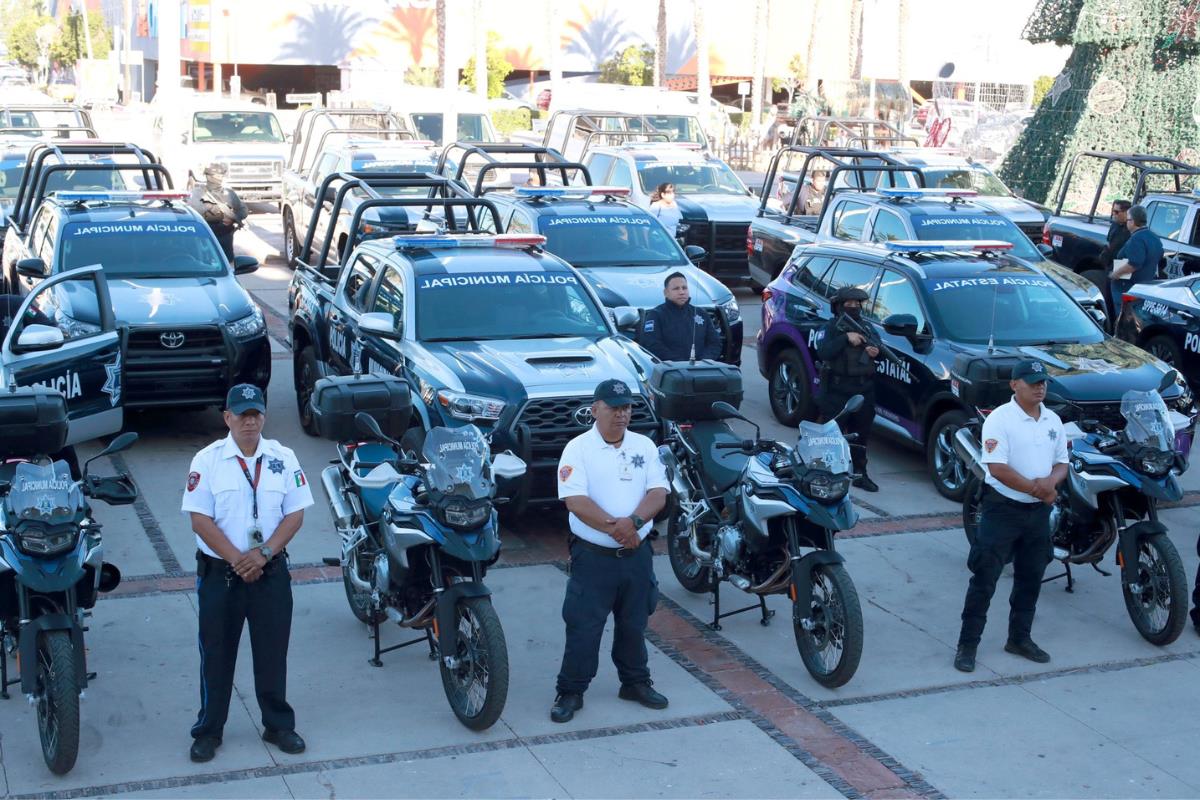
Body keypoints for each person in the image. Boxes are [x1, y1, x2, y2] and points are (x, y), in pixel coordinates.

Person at [181, 384, 313, 763]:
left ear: (264, 417)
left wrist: (264, 554)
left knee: (272, 651)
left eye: (256, 413)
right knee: (216, 655)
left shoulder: (283, 458)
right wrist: (240, 558)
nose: (250, 421)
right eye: (242, 414)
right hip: (220, 574)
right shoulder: (206, 461)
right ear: (227, 418)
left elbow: (296, 513)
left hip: (269, 572)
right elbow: (199, 519)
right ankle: (209, 730)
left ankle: (278, 724)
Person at [551, 379, 670, 724]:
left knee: (634, 622)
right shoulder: (578, 449)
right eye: (615, 407)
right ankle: (571, 690)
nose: (622, 414)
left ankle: (635, 682)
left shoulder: (644, 445)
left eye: (627, 407)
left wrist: (632, 523)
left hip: (636, 555)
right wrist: (615, 528)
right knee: (583, 625)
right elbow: (575, 501)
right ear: (595, 409)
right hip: (594, 558)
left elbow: (658, 494)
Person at [954, 359, 1068, 673]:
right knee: (985, 579)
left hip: (1038, 514)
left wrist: (1051, 483)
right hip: (1002, 510)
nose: (1040, 387)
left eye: (1043, 381)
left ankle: (1019, 638)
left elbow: (1062, 463)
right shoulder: (1000, 420)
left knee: (1031, 577)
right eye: (1032, 382)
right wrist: (1039, 488)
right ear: (1014, 385)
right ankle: (968, 644)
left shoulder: (1052, 420)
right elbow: (998, 468)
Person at [816, 286, 880, 492]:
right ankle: (826, 474)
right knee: (831, 436)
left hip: (863, 390)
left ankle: (861, 474)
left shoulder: (867, 328)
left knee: (861, 435)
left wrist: (873, 351)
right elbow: (824, 352)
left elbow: (879, 348)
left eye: (857, 304)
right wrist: (845, 338)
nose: (853, 307)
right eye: (848, 304)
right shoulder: (832, 327)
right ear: (839, 306)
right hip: (837, 390)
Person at [637, 272, 721, 362]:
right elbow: (653, 345)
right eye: (676, 289)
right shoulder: (655, 315)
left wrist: (703, 362)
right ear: (666, 293)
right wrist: (680, 363)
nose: (681, 292)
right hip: (670, 370)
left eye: (684, 288)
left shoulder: (701, 313)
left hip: (702, 368)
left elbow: (714, 343)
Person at [1109, 204, 1163, 322]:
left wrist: (1115, 274)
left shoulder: (1136, 239)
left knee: (1125, 318)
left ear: (1133, 222)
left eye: (1128, 220)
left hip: (1128, 286)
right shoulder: (1154, 238)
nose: (1127, 223)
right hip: (1144, 285)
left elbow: (1134, 264)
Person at [188, 162, 248, 263]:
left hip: (225, 236)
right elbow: (194, 211)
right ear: (208, 176)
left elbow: (243, 210)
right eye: (217, 175)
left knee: (227, 264)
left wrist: (232, 218)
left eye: (221, 175)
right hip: (205, 236)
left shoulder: (229, 193)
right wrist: (212, 210)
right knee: (205, 262)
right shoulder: (198, 192)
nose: (220, 178)